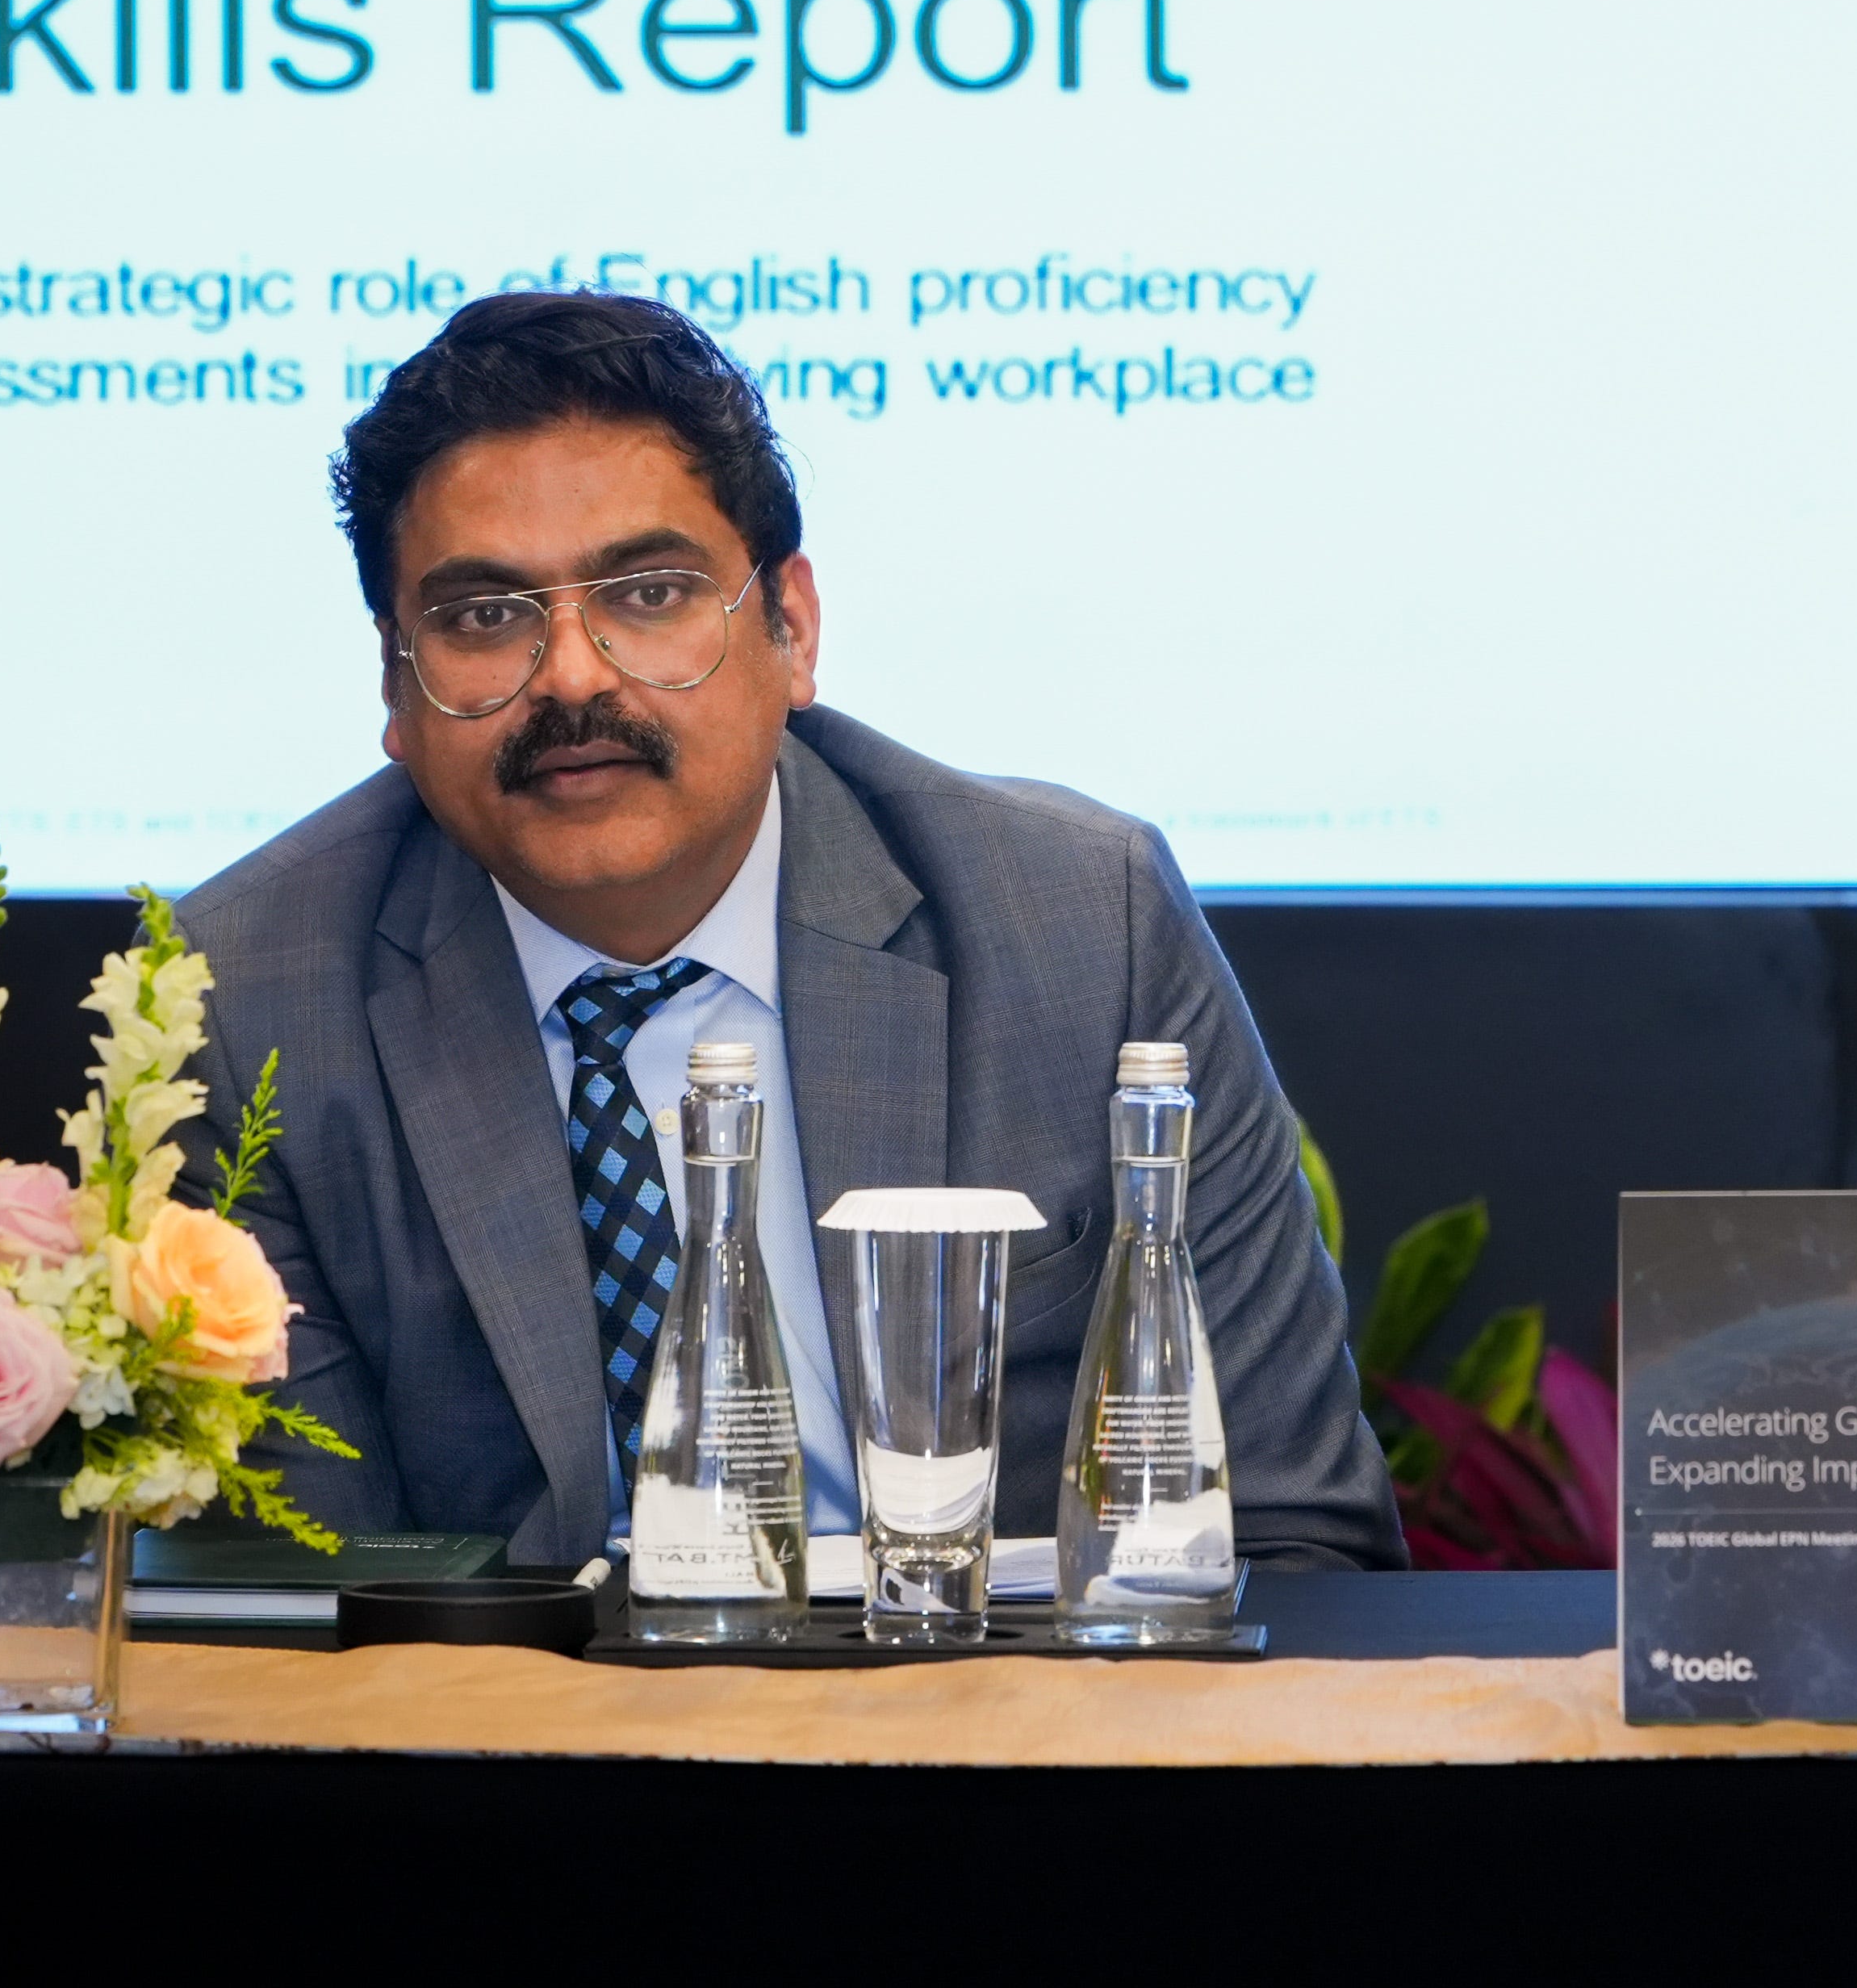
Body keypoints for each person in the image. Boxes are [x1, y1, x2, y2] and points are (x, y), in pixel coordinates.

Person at [182, 291, 1401, 1567]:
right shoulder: (250, 1002)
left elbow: (1290, 1527)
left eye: (650, 593)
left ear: (792, 629)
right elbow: (307, 1590)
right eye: (485, 617)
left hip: (991, 1688)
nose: (575, 675)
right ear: (396, 681)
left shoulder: (1087, 927)